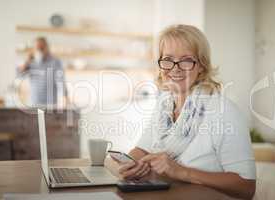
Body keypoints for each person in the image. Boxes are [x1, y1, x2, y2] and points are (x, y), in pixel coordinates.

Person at [105, 24, 256, 200]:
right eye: (168, 59)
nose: (175, 68)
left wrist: (182, 172)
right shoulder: (164, 104)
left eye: (186, 60)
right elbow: (142, 150)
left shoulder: (223, 111)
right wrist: (128, 166)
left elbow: (246, 187)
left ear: (201, 65)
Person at [18, 37, 68, 107]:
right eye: (37, 48)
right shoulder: (30, 62)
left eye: (42, 48)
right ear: (33, 49)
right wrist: (27, 61)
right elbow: (19, 76)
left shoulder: (55, 61)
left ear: (47, 47)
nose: (39, 50)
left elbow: (61, 81)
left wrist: (65, 97)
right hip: (33, 102)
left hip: (51, 104)